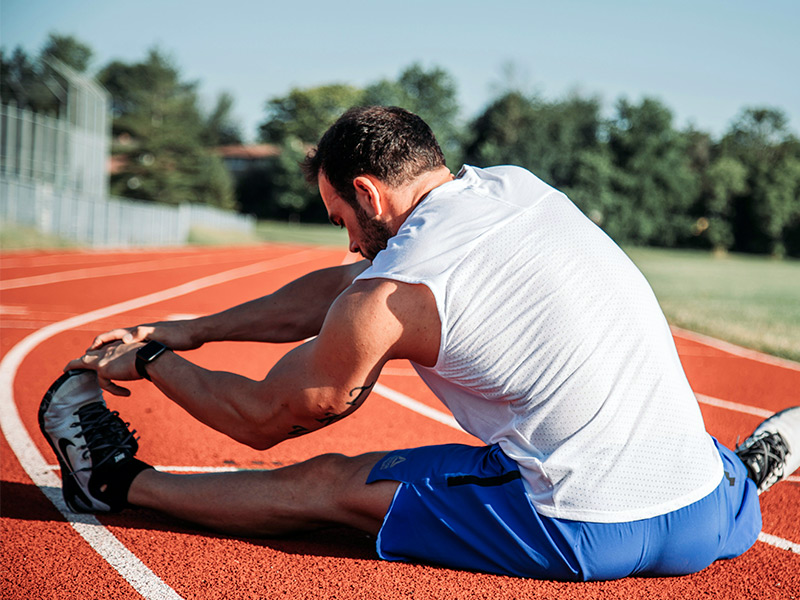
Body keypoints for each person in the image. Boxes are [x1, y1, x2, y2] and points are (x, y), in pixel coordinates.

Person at [40, 106, 799, 581]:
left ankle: (113, 483)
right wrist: (194, 328)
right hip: (704, 516)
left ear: (367, 194)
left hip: (580, 528)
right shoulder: (515, 188)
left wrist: (151, 359)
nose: (345, 238)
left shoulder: (392, 294)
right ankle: (751, 471)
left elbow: (268, 417)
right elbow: (346, 287)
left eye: (341, 217)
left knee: (328, 483)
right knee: (653, 422)